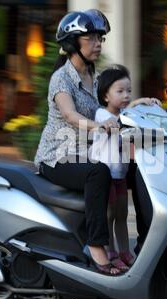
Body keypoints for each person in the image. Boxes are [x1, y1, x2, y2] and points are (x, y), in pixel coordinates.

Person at [34, 9, 121, 275]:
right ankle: (97, 247)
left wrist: (142, 107)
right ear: (73, 43)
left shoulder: (94, 77)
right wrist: (100, 125)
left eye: (100, 39)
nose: (98, 44)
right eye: (91, 38)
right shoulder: (61, 79)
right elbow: (70, 115)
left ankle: (124, 247)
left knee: (133, 171)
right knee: (99, 172)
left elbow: (114, 102)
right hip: (57, 157)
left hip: (85, 152)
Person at [90, 65, 161, 271]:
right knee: (110, 216)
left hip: (119, 174)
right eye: (120, 91)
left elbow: (129, 114)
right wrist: (134, 108)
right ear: (105, 96)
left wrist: (144, 103)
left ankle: (125, 252)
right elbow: (120, 120)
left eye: (129, 91)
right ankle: (111, 253)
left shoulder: (122, 114)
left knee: (121, 215)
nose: (126, 95)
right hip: (106, 175)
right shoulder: (102, 115)